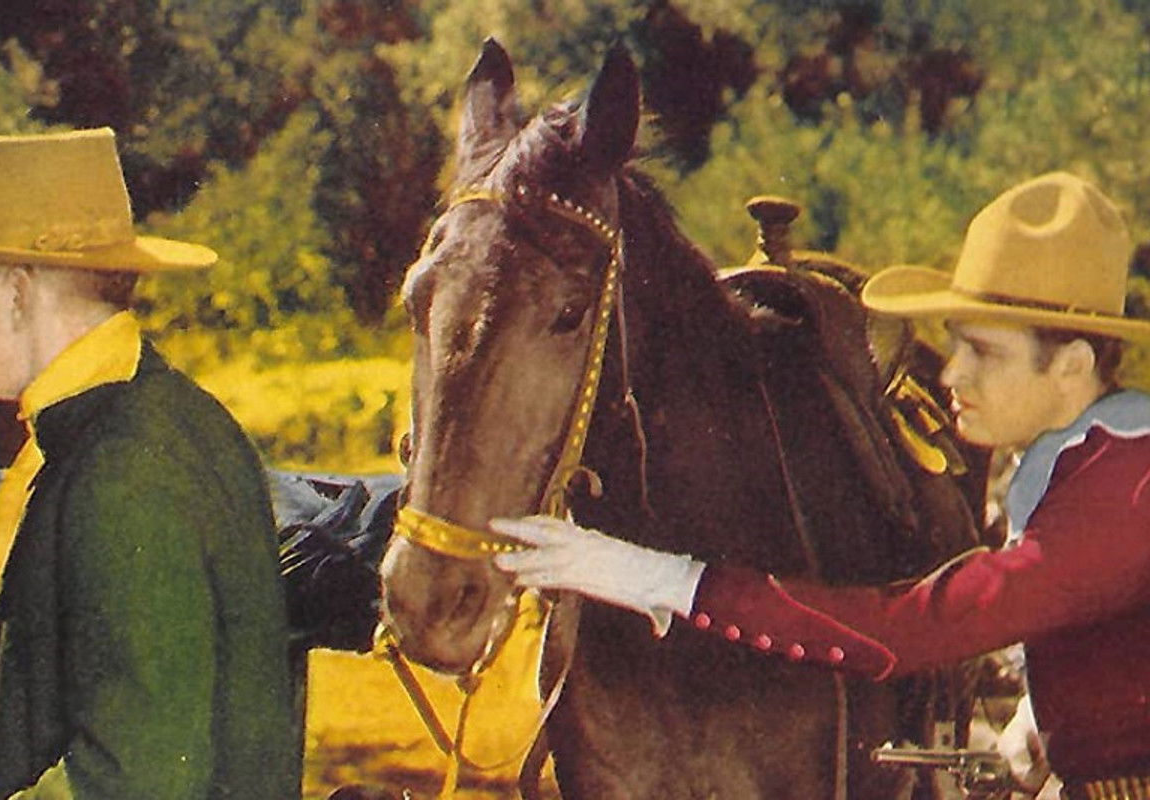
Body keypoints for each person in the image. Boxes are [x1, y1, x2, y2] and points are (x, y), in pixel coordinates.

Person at [490, 171, 1150, 798]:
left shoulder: (1123, 493)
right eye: (958, 345)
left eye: (986, 352)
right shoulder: (1103, 463)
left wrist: (653, 577)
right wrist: (1052, 717)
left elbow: (906, 631)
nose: (953, 376)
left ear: (1072, 366)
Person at [0, 128, 301, 799]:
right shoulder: (154, 417)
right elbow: (109, 673)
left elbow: (130, 783)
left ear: (18, 291)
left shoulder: (123, 470)